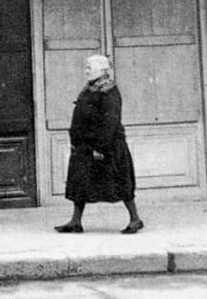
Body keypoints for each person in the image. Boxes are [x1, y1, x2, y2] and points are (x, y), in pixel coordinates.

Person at [54, 54, 144, 235]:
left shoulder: (109, 92)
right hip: (85, 146)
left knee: (120, 182)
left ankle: (135, 219)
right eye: (86, 67)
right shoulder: (90, 89)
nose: (85, 70)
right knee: (79, 183)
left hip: (106, 147)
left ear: (102, 71)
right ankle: (75, 221)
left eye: (89, 67)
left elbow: (110, 122)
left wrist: (99, 148)